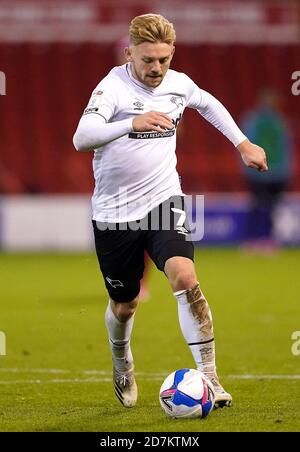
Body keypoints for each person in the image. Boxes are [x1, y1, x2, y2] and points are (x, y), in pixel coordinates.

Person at [73, 13, 268, 409]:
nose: (156, 68)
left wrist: (243, 143)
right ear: (130, 53)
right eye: (148, 60)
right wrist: (131, 123)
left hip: (164, 200)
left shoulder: (178, 84)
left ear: (172, 53)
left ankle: (210, 378)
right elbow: (82, 137)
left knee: (184, 275)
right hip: (114, 213)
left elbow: (208, 104)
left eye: (164, 59)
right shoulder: (112, 88)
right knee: (124, 304)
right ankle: (121, 357)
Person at [241, 89, 293, 250]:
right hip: (260, 173)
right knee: (258, 207)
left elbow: (285, 149)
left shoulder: (280, 122)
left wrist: (286, 170)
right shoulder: (254, 120)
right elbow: (245, 146)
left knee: (271, 208)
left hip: (277, 173)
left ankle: (267, 239)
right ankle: (253, 239)